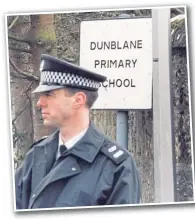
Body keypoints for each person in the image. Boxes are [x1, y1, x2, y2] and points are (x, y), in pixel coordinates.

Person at [15, 54, 141, 210]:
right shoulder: (37, 155)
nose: (40, 103)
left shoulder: (117, 166)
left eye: (49, 94)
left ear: (78, 100)